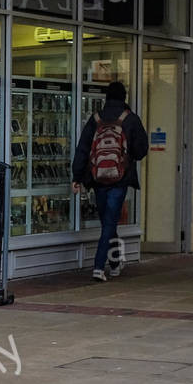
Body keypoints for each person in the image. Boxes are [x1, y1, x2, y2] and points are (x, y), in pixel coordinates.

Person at [72, 81, 148, 281]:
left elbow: (82, 148)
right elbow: (141, 151)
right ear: (124, 97)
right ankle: (99, 266)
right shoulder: (130, 119)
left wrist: (77, 176)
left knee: (108, 221)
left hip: (97, 179)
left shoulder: (96, 119)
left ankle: (115, 262)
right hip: (119, 179)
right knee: (109, 223)